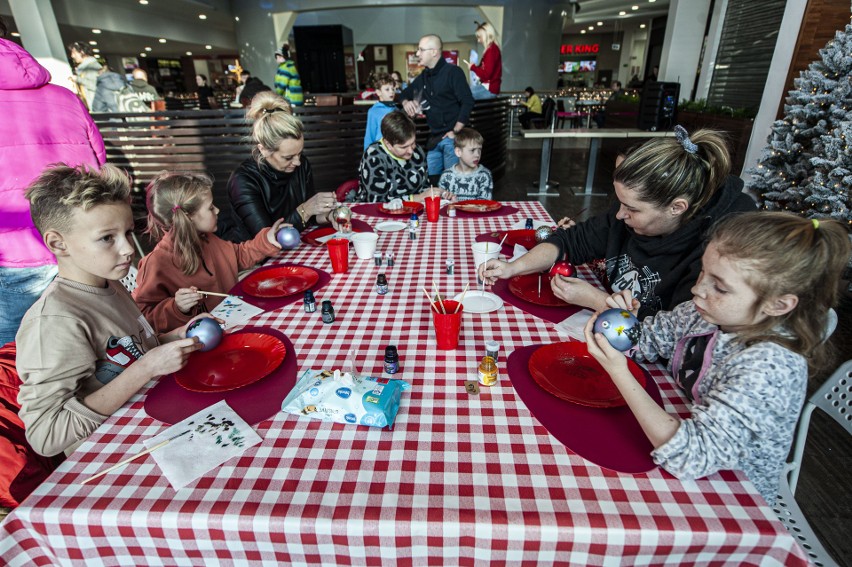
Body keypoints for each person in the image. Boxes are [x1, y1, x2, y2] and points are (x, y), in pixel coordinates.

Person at [584, 211, 851, 504]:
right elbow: (649, 339)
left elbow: (691, 455)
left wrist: (619, 372)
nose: (698, 289)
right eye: (702, 273)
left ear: (778, 305)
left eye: (720, 287)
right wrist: (621, 324)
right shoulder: (706, 314)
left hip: (735, 499)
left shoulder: (770, 368)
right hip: (682, 435)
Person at [16, 164, 206, 457]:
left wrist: (177, 337)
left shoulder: (111, 284)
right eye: (107, 238)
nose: (129, 249)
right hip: (112, 456)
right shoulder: (54, 322)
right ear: (58, 243)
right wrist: (148, 367)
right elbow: (46, 435)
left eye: (128, 233)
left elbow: (133, 352)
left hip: (151, 421)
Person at [479, 126, 757, 319]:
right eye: (620, 203)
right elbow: (569, 241)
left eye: (632, 209)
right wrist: (513, 267)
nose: (620, 215)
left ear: (676, 208)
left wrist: (597, 301)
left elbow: (678, 328)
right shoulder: (623, 217)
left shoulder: (716, 250)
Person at [0, 33, 106, 346]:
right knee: (101, 345)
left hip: (15, 257)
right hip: (81, 243)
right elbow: (98, 166)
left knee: (17, 352)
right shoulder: (66, 97)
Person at [133, 172, 286, 332]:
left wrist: (266, 240)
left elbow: (238, 256)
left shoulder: (208, 240)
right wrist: (177, 307)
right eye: (211, 207)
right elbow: (143, 318)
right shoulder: (156, 262)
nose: (218, 210)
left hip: (233, 324)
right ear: (189, 217)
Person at [217, 92, 334, 243]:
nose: (297, 162)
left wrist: (329, 216)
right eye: (288, 157)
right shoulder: (242, 180)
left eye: (300, 153)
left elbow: (307, 219)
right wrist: (305, 209)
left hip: (294, 247)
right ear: (263, 149)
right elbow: (266, 240)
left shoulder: (302, 164)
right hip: (255, 260)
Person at [400, 34, 474, 182]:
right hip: (434, 140)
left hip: (452, 140)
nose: (417, 53)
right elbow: (404, 93)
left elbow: (468, 102)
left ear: (434, 52)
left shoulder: (453, 72)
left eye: (421, 50)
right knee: (432, 184)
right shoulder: (424, 76)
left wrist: (455, 131)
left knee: (453, 183)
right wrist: (405, 102)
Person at [355, 112, 449, 203]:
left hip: (413, 211)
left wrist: (439, 194)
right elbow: (377, 201)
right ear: (388, 144)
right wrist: (418, 197)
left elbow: (424, 187)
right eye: (403, 147)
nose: (411, 151)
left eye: (413, 143)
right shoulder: (374, 156)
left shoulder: (418, 151)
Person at [438, 127, 493, 201]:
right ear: (458, 152)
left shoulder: (484, 175)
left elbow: (484, 205)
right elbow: (441, 203)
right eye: (472, 150)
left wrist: (457, 204)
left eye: (479, 150)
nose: (477, 155)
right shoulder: (446, 176)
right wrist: (448, 200)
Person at [466, 22, 502, 100]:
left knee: (463, 94)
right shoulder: (494, 49)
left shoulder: (491, 51)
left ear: (485, 35)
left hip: (489, 89)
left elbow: (486, 74)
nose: (478, 41)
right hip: (492, 88)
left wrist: (473, 68)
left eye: (479, 37)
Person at [364, 73, 398, 149]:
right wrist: (366, 154)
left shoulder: (396, 110)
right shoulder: (373, 111)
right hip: (380, 150)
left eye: (393, 89)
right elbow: (370, 135)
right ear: (378, 92)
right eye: (387, 89)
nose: (391, 92)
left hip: (395, 151)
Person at [67, 41, 101, 110]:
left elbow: (95, 86)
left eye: (74, 52)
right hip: (91, 107)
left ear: (82, 52)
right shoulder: (83, 68)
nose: (72, 56)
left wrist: (77, 79)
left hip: (96, 108)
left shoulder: (93, 66)